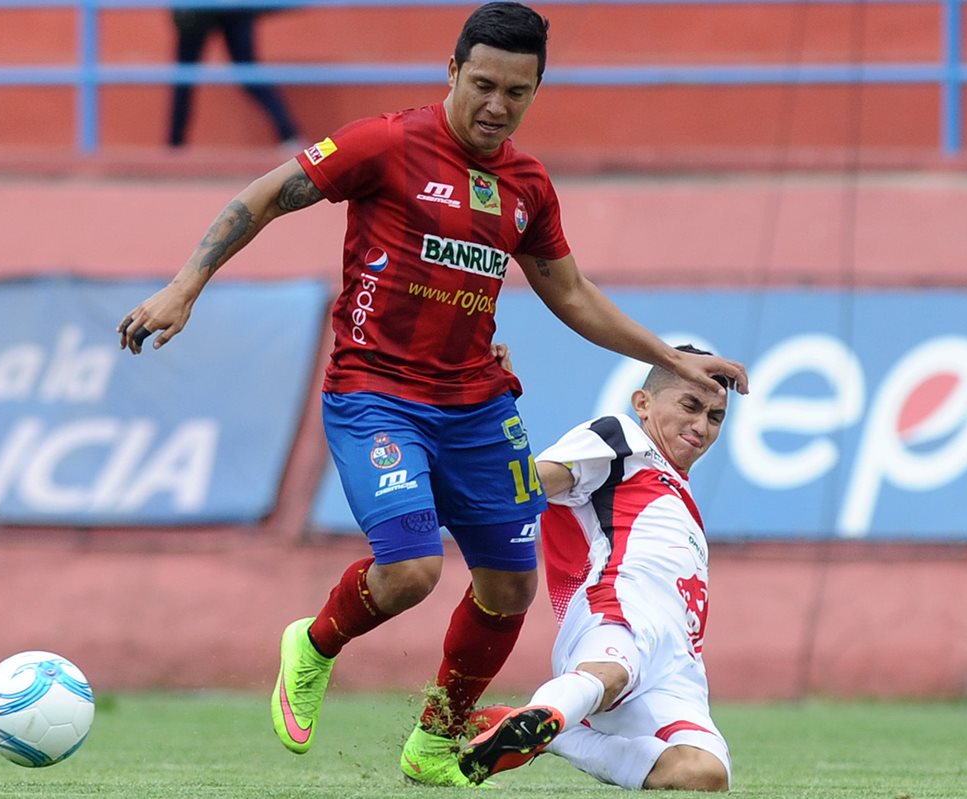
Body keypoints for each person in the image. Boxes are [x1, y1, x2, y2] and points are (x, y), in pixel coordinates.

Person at [117, 2, 748, 787]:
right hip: (376, 394)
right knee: (413, 571)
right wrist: (186, 286)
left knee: (511, 585)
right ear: (452, 72)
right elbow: (267, 195)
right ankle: (313, 645)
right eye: (482, 84)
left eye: (516, 93)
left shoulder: (526, 186)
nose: (496, 105)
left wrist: (672, 359)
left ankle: (435, 738)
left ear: (536, 90)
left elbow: (572, 293)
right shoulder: (385, 143)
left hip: (478, 407)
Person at [457, 344, 733, 791]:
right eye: (690, 405)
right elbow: (526, 484)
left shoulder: (681, 498)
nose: (701, 426)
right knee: (610, 673)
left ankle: (552, 734)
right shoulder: (622, 439)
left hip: (675, 665)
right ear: (642, 402)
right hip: (614, 612)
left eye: (716, 416)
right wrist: (493, 408)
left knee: (704, 774)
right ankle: (551, 715)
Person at [168, 6, 300, 148]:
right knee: (185, 77)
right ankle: (174, 146)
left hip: (227, 8)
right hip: (206, 9)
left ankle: (174, 146)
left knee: (248, 75)